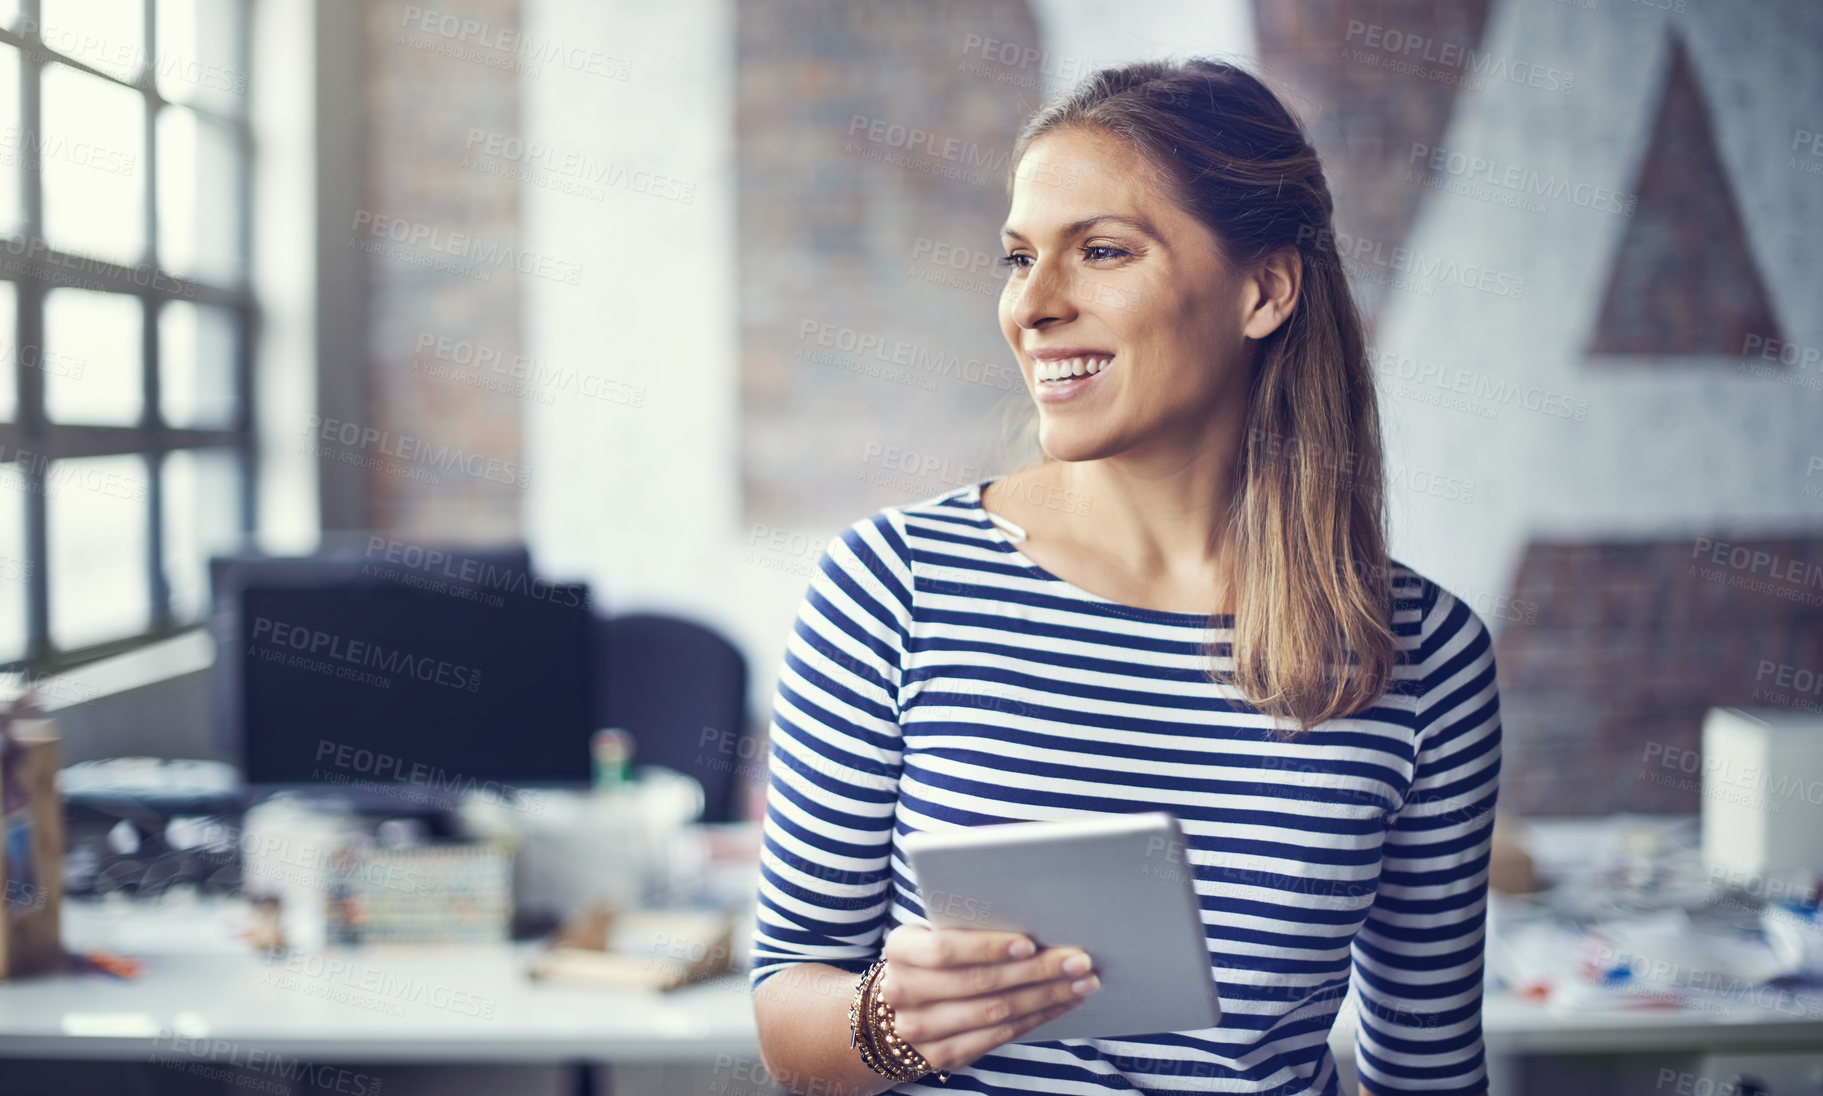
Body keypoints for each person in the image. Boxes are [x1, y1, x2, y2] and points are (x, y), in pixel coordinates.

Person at [750, 56, 1501, 1096]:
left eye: (1100, 250)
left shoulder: (1426, 652)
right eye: (1018, 259)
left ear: (1263, 288)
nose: (1033, 307)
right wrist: (883, 1020)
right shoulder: (893, 586)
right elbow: (788, 1016)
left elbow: (1425, 1069)